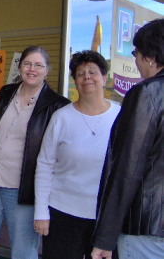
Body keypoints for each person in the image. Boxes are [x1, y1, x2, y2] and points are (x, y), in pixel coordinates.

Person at [0, 46, 70, 259]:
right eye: (27, 64)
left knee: (23, 251)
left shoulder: (57, 105)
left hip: (23, 189)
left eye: (38, 65)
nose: (32, 69)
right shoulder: (6, 92)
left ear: (47, 70)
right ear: (20, 66)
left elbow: (58, 156)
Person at [34, 50, 121, 259]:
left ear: (104, 78)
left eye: (93, 72)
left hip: (105, 217)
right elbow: (45, 165)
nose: (87, 77)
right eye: (80, 74)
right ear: (75, 81)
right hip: (62, 213)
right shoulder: (61, 117)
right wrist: (41, 212)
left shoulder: (121, 116)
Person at [91, 19, 164, 259]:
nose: (135, 59)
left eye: (136, 52)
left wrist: (105, 237)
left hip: (146, 226)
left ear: (151, 57)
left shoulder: (147, 94)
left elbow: (127, 167)